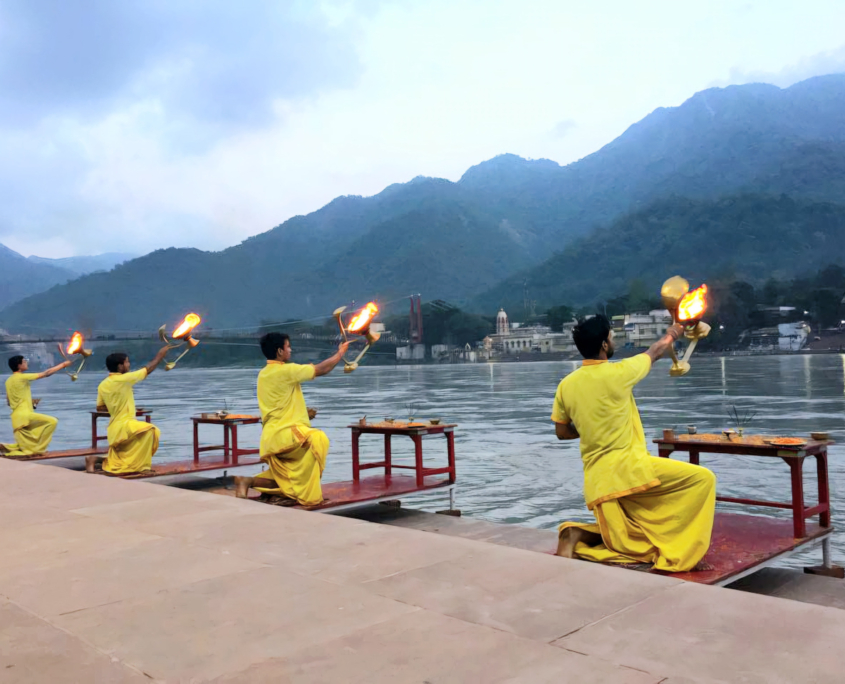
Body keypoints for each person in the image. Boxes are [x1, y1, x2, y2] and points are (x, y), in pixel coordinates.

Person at [553, 315, 716, 572]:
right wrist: (675, 332)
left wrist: (591, 427)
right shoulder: (620, 372)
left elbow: (561, 432)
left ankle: (577, 534)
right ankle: (687, 552)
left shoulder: (566, 385)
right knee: (702, 479)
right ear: (604, 345)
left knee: (627, 534)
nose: (613, 340)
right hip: (629, 468)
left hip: (597, 480)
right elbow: (655, 352)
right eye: (611, 336)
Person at [234, 332, 349, 507]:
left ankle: (246, 481)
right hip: (284, 436)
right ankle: (306, 495)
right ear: (280, 351)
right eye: (288, 346)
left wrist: (303, 412)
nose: (290, 349)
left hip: (271, 437)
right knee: (318, 439)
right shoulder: (286, 370)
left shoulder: (264, 374)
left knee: (290, 476)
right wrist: (341, 353)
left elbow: (278, 406)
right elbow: (321, 369)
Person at [86, 346, 173, 475]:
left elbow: (100, 407)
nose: (129, 364)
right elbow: (147, 370)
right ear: (120, 366)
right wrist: (160, 355)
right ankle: (142, 467)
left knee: (134, 443)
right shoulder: (124, 379)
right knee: (151, 430)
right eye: (127, 362)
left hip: (115, 427)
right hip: (124, 426)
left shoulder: (103, 384)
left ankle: (95, 459)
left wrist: (123, 406)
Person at [1, 354, 73, 457]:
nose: (26, 363)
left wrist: (30, 404)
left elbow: (9, 402)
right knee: (52, 421)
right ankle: (38, 450)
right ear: (19, 365)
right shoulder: (22, 377)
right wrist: (63, 365)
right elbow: (46, 373)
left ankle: (11, 447)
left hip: (16, 417)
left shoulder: (8, 381)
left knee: (27, 442)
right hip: (25, 415)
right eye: (24, 361)